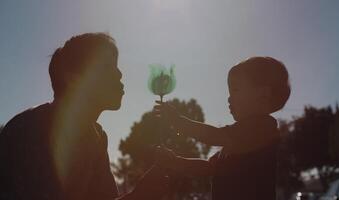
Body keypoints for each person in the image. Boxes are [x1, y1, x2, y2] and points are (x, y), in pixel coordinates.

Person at [0, 33, 168, 200]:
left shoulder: (97, 137)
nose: (119, 74)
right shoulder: (30, 129)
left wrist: (143, 193)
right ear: (72, 79)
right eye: (106, 67)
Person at [155, 56, 291, 200]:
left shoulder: (263, 128)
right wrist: (176, 162)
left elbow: (214, 135)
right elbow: (209, 167)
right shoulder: (236, 140)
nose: (229, 98)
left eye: (235, 90)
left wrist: (179, 122)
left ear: (263, 94)